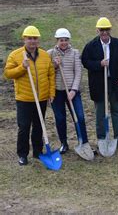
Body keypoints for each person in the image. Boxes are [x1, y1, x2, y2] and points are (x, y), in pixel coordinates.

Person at [3, 26, 55, 166]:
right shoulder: (15, 55)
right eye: (29, 38)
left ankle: (37, 152)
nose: (32, 41)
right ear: (24, 39)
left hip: (42, 97)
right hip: (24, 99)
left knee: (39, 126)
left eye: (35, 38)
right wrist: (21, 67)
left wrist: (51, 93)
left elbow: (51, 74)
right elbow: (8, 74)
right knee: (24, 127)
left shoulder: (44, 55)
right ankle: (22, 155)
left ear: (38, 40)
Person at [81, 17, 118, 148]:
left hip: (116, 84)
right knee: (101, 112)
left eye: (106, 29)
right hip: (99, 84)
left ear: (110, 30)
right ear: (97, 30)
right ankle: (102, 138)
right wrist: (99, 64)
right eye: (102, 30)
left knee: (117, 111)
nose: (104, 32)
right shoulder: (91, 46)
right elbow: (85, 61)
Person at [48, 28, 90, 154]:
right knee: (60, 118)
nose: (64, 42)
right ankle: (64, 143)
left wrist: (74, 90)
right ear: (57, 40)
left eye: (66, 40)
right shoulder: (50, 53)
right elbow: (47, 72)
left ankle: (83, 142)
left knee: (80, 117)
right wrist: (54, 65)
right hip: (57, 92)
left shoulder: (75, 53)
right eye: (61, 40)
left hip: (72, 91)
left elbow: (78, 73)